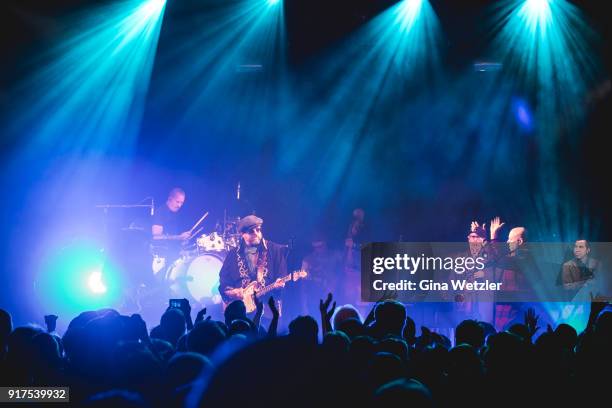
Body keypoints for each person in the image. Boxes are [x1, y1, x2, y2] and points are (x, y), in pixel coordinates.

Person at [218, 215, 288, 314]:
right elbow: (224, 282)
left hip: (268, 308)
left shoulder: (275, 250)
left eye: (258, 230)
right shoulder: (232, 255)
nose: (256, 234)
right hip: (241, 310)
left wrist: (279, 284)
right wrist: (232, 292)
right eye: (251, 231)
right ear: (242, 234)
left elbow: (282, 274)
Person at [150, 188, 192, 279]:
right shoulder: (161, 212)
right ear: (170, 199)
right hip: (162, 256)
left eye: (182, 202)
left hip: (173, 254)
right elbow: (156, 236)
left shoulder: (176, 214)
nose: (180, 205)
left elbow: (173, 237)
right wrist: (178, 237)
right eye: (177, 202)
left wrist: (182, 242)